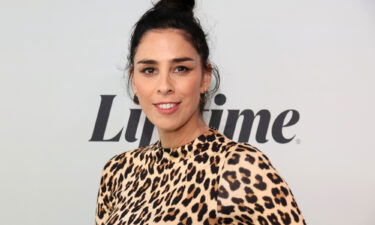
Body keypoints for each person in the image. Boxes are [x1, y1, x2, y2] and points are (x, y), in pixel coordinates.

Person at [95, 0, 306, 224]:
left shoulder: (237, 167)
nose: (164, 85)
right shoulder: (119, 171)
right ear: (134, 80)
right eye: (149, 70)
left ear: (205, 77)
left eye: (181, 69)